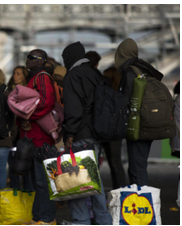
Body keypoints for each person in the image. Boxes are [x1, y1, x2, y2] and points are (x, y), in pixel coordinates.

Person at [62, 41, 112, 225]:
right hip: (96, 132)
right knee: (93, 179)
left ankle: (80, 219)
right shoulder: (94, 74)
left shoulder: (73, 76)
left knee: (75, 180)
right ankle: (103, 219)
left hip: (80, 134)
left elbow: (74, 109)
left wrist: (70, 134)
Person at [114, 38, 166, 186]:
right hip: (148, 122)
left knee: (137, 168)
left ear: (122, 54)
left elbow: (126, 101)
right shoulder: (146, 69)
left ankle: (142, 203)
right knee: (140, 165)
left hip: (138, 126)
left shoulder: (131, 72)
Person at [19, 49, 57, 225]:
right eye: (27, 57)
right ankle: (37, 218)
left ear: (42, 61)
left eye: (32, 58)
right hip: (35, 138)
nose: (28, 61)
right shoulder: (34, 78)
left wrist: (28, 116)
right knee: (37, 182)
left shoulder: (42, 77)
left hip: (42, 140)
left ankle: (47, 219)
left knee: (43, 182)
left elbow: (46, 102)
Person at [7, 65, 34, 192]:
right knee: (13, 166)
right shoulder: (8, 92)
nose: (15, 76)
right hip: (12, 134)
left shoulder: (29, 93)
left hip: (24, 133)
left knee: (26, 166)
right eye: (14, 73)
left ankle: (28, 196)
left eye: (18, 73)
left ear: (24, 76)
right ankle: (15, 196)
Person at [101, 66, 127, 189]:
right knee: (116, 162)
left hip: (104, 130)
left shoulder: (105, 92)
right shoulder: (122, 93)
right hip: (117, 132)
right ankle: (120, 190)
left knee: (108, 163)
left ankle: (118, 189)